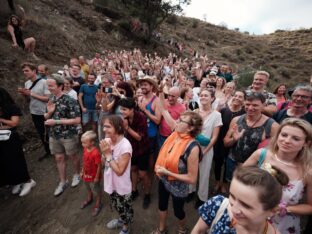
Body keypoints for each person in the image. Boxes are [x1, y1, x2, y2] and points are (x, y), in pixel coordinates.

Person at [244, 118, 312, 234]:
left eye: (295, 138)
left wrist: (286, 209)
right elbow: (239, 179)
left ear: (306, 143)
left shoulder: (307, 172)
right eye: (284, 135)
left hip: (282, 226)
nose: (287, 141)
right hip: (251, 219)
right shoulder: (261, 155)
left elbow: (310, 207)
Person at [191, 166, 288, 234]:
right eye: (232, 196)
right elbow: (198, 230)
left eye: (246, 205)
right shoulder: (218, 204)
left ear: (272, 211)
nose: (234, 210)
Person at [152, 111, 202, 234]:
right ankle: (162, 229)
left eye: (181, 121)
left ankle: (182, 229)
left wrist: (167, 172)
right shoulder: (176, 133)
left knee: (178, 211)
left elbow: (192, 178)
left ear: (190, 128)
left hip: (178, 185)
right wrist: (161, 92)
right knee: (162, 205)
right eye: (179, 119)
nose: (177, 122)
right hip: (163, 179)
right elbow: (163, 110)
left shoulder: (193, 147)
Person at [223, 92, 279, 181]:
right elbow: (225, 143)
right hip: (232, 161)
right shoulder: (237, 120)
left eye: (255, 105)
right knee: (231, 184)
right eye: (247, 104)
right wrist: (234, 139)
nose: (250, 108)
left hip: (254, 168)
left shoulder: (272, 126)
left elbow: (277, 152)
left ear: (264, 105)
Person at [44, 74, 81, 196]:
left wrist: (57, 121)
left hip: (69, 134)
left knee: (72, 156)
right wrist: (49, 113)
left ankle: (77, 174)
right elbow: (45, 116)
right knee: (58, 158)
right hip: (54, 134)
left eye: (51, 85)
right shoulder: (51, 99)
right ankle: (63, 181)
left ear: (60, 86)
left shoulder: (70, 100)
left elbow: (77, 120)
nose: (49, 88)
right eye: (48, 85)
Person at [99, 115, 133, 234]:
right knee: (117, 205)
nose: (104, 130)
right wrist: (104, 155)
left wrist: (108, 155)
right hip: (111, 182)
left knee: (125, 207)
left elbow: (119, 171)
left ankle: (126, 227)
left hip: (122, 185)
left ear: (118, 127)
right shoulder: (107, 140)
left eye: (108, 127)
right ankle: (121, 220)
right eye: (104, 126)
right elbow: (103, 163)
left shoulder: (125, 146)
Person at [0, 87, 36, 196]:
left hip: (11, 138)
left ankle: (28, 181)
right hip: (1, 139)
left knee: (16, 160)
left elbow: (14, 123)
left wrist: (1, 120)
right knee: (6, 162)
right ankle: (16, 181)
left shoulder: (11, 107)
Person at [194, 88, 223, 207]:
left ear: (212, 98)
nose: (203, 97)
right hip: (192, 146)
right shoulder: (195, 112)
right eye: (201, 95)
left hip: (207, 149)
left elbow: (215, 137)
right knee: (191, 169)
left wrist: (204, 152)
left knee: (204, 174)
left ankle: (201, 198)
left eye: (206, 95)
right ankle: (190, 192)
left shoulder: (217, 115)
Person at [213, 90, 245, 194]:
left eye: (240, 97)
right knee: (218, 163)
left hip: (233, 143)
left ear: (243, 100)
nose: (237, 98)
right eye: (235, 95)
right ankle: (217, 181)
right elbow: (215, 122)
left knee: (228, 165)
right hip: (220, 141)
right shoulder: (224, 110)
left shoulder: (244, 113)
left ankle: (225, 183)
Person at [118, 98, 150, 201]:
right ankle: (134, 190)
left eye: (124, 109)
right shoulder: (124, 118)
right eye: (121, 109)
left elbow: (139, 137)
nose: (121, 112)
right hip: (131, 148)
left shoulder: (141, 118)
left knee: (143, 173)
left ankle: (147, 194)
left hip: (142, 149)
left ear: (132, 109)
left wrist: (127, 128)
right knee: (133, 169)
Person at [137, 76, 162, 209]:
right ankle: (143, 182)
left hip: (151, 136)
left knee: (150, 164)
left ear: (152, 87)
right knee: (140, 163)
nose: (143, 87)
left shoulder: (156, 101)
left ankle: (148, 190)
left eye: (145, 85)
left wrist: (145, 110)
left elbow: (158, 120)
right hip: (140, 135)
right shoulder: (140, 98)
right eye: (141, 85)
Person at [18, 62, 51, 161]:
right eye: (23, 71)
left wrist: (31, 93)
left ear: (34, 71)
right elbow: (29, 100)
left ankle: (57, 150)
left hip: (45, 112)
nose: (24, 73)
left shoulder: (44, 82)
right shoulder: (27, 83)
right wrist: (25, 95)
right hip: (34, 112)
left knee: (50, 132)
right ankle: (48, 151)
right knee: (41, 133)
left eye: (27, 70)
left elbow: (47, 99)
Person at [80, 131, 102, 217]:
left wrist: (97, 177)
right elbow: (84, 161)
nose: (82, 144)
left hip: (94, 175)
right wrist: (82, 170)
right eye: (82, 142)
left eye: (84, 142)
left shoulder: (95, 153)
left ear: (92, 142)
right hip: (86, 173)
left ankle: (98, 202)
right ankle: (90, 197)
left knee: (96, 188)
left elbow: (99, 166)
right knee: (87, 186)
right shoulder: (85, 149)